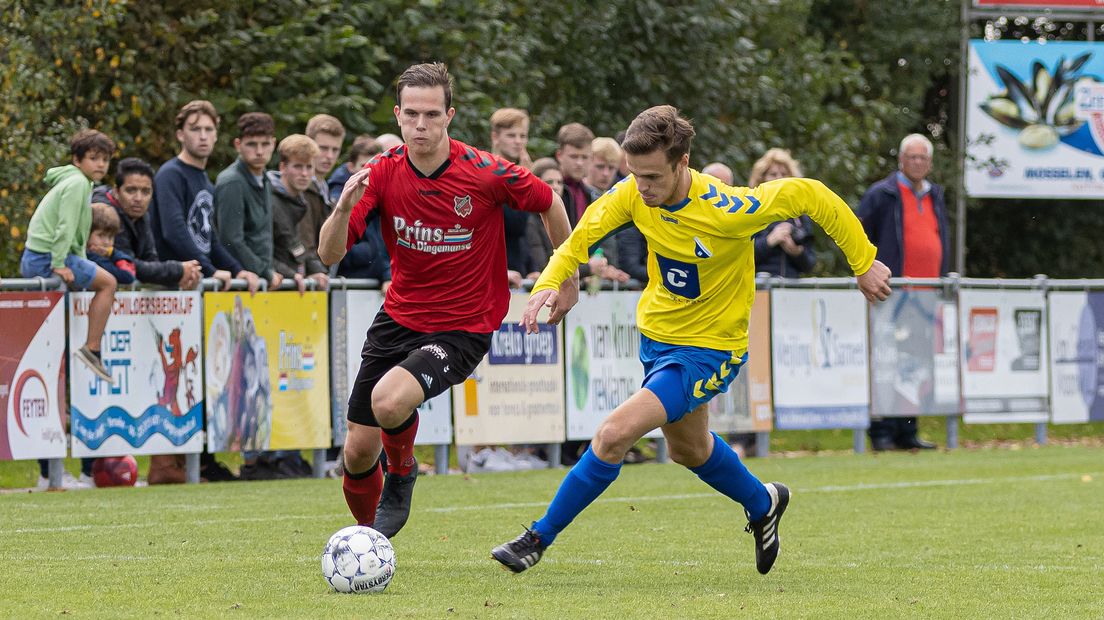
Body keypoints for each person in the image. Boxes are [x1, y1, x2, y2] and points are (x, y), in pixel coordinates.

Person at [491, 105, 891, 576]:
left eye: (653, 177)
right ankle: (763, 502)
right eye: (634, 174)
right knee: (689, 451)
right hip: (658, 340)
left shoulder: (729, 209)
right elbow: (576, 243)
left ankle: (536, 538)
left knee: (613, 434)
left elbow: (814, 195)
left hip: (709, 350)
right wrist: (546, 288)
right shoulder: (633, 193)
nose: (642, 187)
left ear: (683, 162)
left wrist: (863, 262)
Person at [317, 62, 578, 539]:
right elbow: (328, 253)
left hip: (463, 325)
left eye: (432, 115)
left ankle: (402, 472)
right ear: (397, 115)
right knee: (356, 451)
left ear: (449, 116)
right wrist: (340, 209)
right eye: (412, 114)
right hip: (398, 315)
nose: (421, 125)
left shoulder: (484, 170)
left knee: (389, 401)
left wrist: (568, 277)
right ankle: (370, 544)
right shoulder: (379, 174)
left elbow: (551, 202)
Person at [858, 133, 947, 452]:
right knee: (886, 359)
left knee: (917, 363)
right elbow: (859, 232)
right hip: (891, 292)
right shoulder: (882, 194)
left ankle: (908, 431)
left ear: (930, 163)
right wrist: (867, 270)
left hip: (926, 292)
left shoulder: (935, 194)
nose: (918, 163)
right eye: (912, 157)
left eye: (923, 158)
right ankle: (881, 431)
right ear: (901, 160)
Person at [21, 128, 116, 384]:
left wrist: (77, 259)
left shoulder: (77, 181)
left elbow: (75, 232)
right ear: (77, 160)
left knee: (56, 331)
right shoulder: (76, 184)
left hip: (39, 255)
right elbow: (64, 227)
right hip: (46, 257)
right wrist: (59, 264)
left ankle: (58, 388)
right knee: (109, 283)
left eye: (105, 159)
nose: (100, 164)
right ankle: (92, 348)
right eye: (94, 158)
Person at [150, 100, 260, 294]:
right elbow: (174, 232)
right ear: (180, 135)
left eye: (209, 129)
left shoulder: (205, 181)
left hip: (198, 284)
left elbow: (210, 239)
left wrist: (237, 270)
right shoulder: (170, 174)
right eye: (195, 129)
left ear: (216, 135)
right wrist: (210, 270)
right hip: (172, 287)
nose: (203, 136)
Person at [92, 158, 202, 289]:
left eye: (145, 191)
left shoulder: (141, 214)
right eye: (131, 190)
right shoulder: (104, 213)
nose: (138, 198)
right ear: (116, 191)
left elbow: (150, 260)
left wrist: (183, 275)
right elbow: (129, 265)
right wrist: (178, 270)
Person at [215, 112, 282, 288]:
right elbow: (231, 240)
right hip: (238, 282)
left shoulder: (265, 179)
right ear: (238, 145)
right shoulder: (232, 181)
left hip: (258, 280)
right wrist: (266, 272)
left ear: (273, 144)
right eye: (252, 144)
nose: (259, 151)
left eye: (265, 144)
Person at [750, 149, 817, 278]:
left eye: (783, 174)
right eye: (773, 174)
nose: (779, 179)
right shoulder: (751, 210)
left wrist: (797, 252)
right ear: (762, 178)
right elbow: (740, 256)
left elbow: (810, 264)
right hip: (759, 287)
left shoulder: (800, 215)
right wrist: (770, 240)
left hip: (790, 290)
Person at [490, 108, 539, 287]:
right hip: (493, 272)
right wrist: (525, 181)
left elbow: (526, 233)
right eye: (511, 135)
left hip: (518, 271)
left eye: (523, 136)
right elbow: (516, 223)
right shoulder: (487, 174)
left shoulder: (516, 174)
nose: (518, 141)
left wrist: (532, 266)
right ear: (495, 137)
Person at [86, 203, 136, 285]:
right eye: (101, 235)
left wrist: (111, 253)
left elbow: (129, 270)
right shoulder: (93, 259)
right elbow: (128, 276)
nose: (106, 242)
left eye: (111, 237)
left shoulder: (108, 255)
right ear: (87, 233)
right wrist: (112, 254)